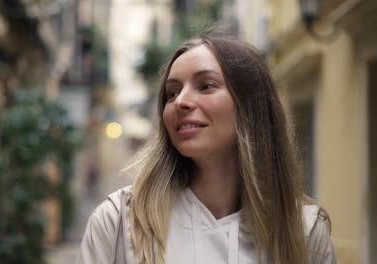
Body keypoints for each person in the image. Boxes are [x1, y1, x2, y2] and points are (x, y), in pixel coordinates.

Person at [76, 26, 336, 264]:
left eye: (206, 85)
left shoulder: (304, 233)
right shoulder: (118, 223)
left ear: (251, 106)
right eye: (172, 92)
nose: (180, 102)